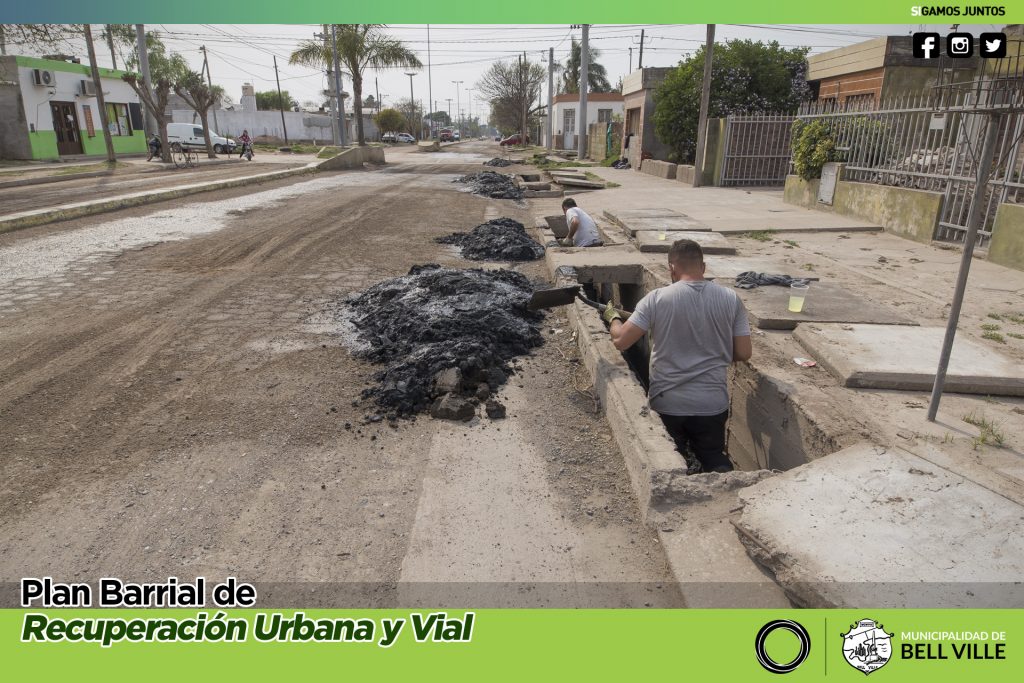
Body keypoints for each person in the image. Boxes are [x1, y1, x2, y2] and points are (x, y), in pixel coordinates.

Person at [604, 239, 752, 473]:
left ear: (671, 268)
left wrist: (612, 317)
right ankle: (725, 489)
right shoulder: (730, 299)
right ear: (703, 267)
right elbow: (744, 352)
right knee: (712, 456)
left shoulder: (657, 299)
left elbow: (621, 340)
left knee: (673, 460)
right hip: (712, 404)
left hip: (668, 402)